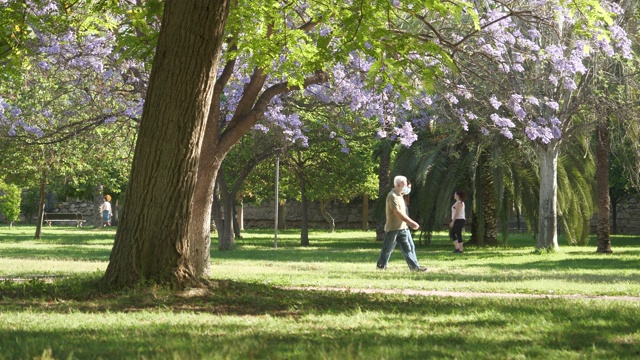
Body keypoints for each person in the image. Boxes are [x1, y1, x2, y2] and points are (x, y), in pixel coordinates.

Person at [376, 175, 428, 272]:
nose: (406, 187)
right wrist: (411, 222)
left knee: (409, 248)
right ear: (399, 184)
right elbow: (397, 212)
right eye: (404, 184)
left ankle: (414, 267)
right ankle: (381, 266)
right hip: (393, 228)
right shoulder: (392, 196)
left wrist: (407, 224)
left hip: (403, 228)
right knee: (387, 248)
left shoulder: (400, 196)